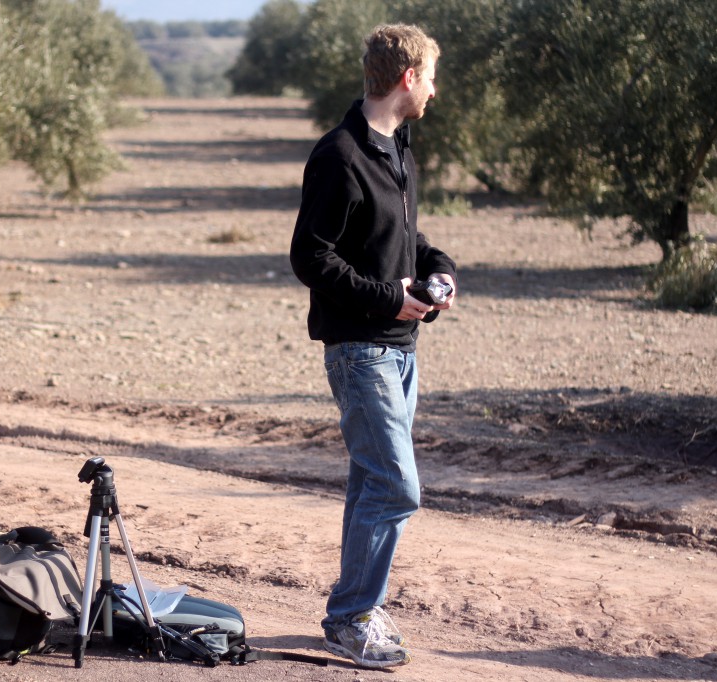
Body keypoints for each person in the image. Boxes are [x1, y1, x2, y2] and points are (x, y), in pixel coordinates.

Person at [289, 23, 457, 669]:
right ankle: (353, 615)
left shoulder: (397, 150)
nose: (435, 91)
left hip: (402, 348)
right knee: (396, 487)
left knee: (370, 485)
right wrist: (387, 297)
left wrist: (437, 267)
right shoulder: (339, 154)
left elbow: (402, 239)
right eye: (432, 77)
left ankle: (355, 609)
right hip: (360, 348)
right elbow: (311, 256)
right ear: (409, 77)